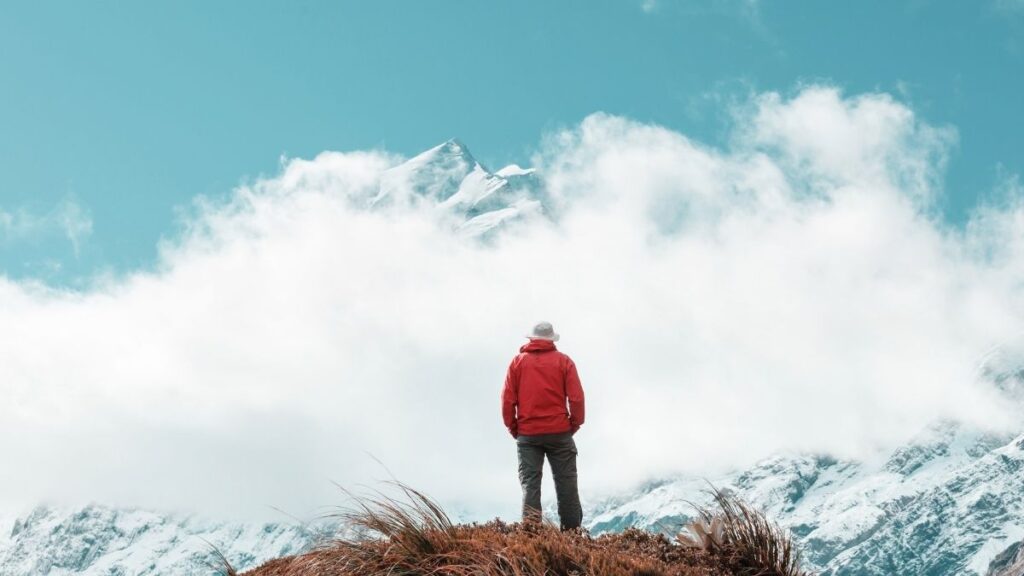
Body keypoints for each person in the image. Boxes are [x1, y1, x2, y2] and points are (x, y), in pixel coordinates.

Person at [501, 321, 585, 530]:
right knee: (567, 485)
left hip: (528, 435)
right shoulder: (564, 362)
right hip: (559, 432)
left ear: (530, 339)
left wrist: (515, 429)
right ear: (552, 340)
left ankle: (531, 535)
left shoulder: (517, 363)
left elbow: (507, 400)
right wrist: (573, 425)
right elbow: (576, 398)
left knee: (530, 485)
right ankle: (572, 535)